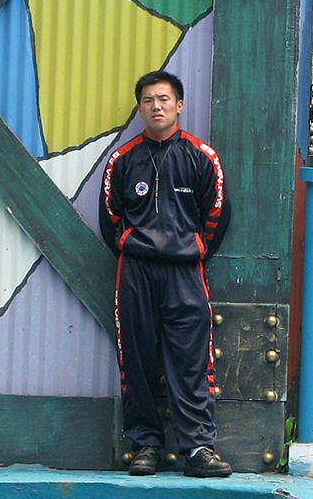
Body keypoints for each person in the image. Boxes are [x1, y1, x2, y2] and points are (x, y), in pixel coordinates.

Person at [99, 70, 233, 478]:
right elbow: (110, 219)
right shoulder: (122, 160)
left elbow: (217, 215)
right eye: (147, 101)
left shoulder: (201, 156)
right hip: (135, 271)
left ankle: (197, 448)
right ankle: (144, 446)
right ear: (139, 108)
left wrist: (192, 250)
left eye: (163, 99)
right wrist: (132, 245)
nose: (156, 107)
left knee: (191, 360)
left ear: (179, 105)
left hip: (185, 273)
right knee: (136, 358)